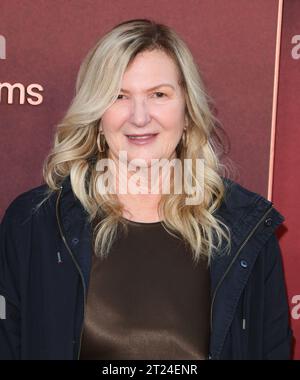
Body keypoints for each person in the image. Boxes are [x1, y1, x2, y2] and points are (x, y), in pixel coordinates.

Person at [0, 19, 293, 360]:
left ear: (187, 111)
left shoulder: (245, 230)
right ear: (97, 114)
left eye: (158, 94)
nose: (139, 117)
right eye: (119, 96)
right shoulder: (34, 224)